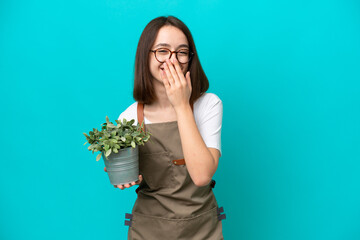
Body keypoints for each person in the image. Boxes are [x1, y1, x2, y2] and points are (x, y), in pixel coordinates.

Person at [104, 15, 225, 239]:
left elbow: (201, 176)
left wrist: (181, 105)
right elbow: (137, 173)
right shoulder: (130, 117)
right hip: (148, 229)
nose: (172, 60)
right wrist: (126, 173)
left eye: (181, 52)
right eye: (162, 50)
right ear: (145, 56)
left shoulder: (209, 105)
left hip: (202, 229)